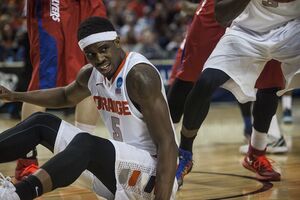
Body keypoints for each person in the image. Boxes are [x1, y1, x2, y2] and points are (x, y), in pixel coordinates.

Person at [0, 16, 178, 200]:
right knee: (41, 123)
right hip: (116, 170)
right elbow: (64, 96)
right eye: (91, 54)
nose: (99, 59)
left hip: (151, 178)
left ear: (117, 42)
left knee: (86, 142)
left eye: (103, 49)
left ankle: (15, 195)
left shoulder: (139, 76)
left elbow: (168, 144)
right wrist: (15, 96)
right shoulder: (91, 74)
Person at [167, 0, 290, 186]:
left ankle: (256, 152)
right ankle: (167, 148)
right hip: (220, 6)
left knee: (270, 80)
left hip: (270, 14)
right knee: (190, 76)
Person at [16, 0, 107, 182]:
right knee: (43, 80)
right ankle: (26, 159)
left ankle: (81, 157)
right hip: (53, 4)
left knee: (90, 75)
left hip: (89, 4)